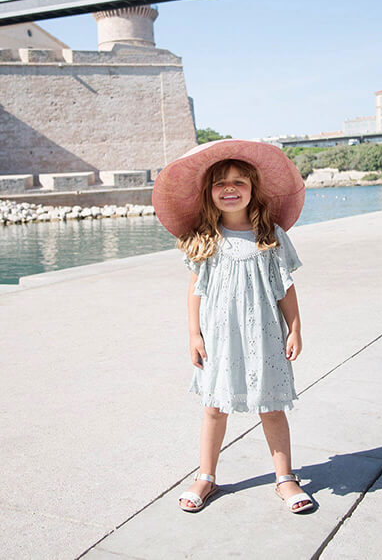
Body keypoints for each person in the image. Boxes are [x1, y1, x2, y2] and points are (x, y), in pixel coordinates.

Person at [151, 139, 313, 513]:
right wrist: (194, 334)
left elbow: (285, 287)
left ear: (254, 190)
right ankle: (205, 476)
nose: (230, 189)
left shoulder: (270, 235)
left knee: (271, 407)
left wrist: (295, 328)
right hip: (219, 338)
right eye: (220, 183)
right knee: (213, 407)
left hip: (264, 337)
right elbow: (196, 289)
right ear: (208, 193)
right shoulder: (205, 239)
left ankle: (285, 478)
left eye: (239, 182)